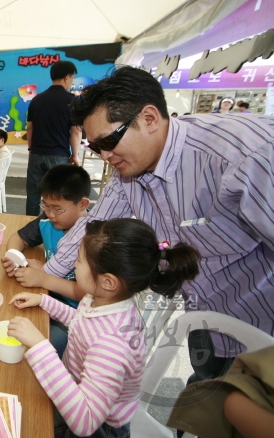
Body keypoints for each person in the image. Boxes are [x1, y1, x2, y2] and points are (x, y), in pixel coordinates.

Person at [38, 66, 274, 385]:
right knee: (206, 396)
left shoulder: (242, 157)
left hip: (260, 328)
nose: (105, 155)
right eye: (95, 148)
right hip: (204, 316)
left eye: (109, 141)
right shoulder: (130, 170)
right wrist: (44, 276)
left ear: (149, 118)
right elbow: (91, 226)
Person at [8, 218, 201, 438]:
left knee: (25, 417)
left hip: (98, 426)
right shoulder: (101, 300)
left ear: (108, 281)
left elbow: (85, 422)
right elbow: (82, 324)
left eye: (79, 260)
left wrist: (40, 346)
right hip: (78, 388)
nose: (74, 264)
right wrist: (44, 302)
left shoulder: (112, 344)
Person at [2, 164, 90, 358]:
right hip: (42, 297)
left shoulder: (93, 240)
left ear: (83, 204)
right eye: (46, 206)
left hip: (74, 315)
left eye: (58, 209)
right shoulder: (48, 221)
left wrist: (43, 279)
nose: (50, 214)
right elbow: (17, 238)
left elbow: (88, 294)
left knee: (31, 350)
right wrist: (14, 258)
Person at [25, 60, 82, 216]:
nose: (71, 82)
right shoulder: (72, 100)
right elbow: (76, 131)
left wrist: (31, 149)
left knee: (33, 195)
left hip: (36, 154)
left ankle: (28, 227)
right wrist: (75, 155)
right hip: (58, 157)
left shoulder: (36, 100)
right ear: (67, 77)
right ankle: (52, 227)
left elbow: (30, 128)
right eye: (72, 79)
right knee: (56, 196)